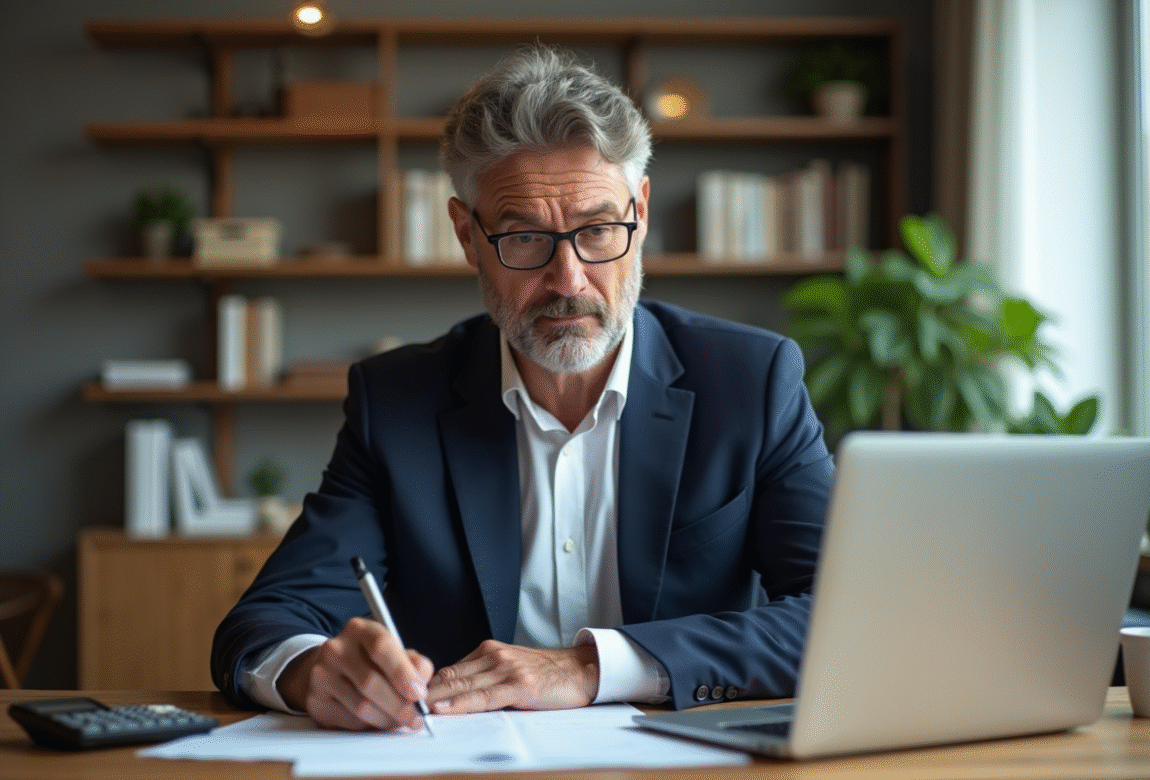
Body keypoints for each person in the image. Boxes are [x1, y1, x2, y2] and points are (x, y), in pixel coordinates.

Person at [211, 44, 834, 732]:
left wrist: (590, 668)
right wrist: (313, 672)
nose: (568, 280)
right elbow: (266, 623)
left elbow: (844, 612)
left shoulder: (750, 382)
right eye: (526, 239)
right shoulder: (395, 402)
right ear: (466, 236)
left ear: (642, 213)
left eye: (599, 230)